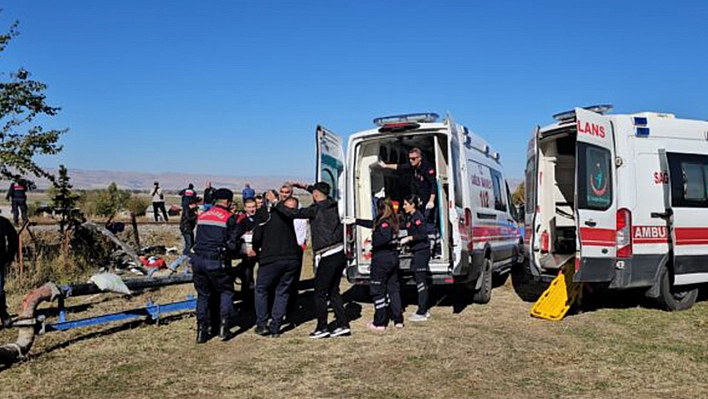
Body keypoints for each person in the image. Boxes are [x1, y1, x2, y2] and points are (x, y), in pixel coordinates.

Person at [276, 181, 350, 338]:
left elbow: (292, 214)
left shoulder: (315, 209)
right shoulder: (333, 204)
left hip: (328, 254)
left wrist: (277, 203)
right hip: (339, 253)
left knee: (320, 293)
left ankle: (322, 327)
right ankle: (343, 324)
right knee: (333, 291)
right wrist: (304, 187)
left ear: (316, 195)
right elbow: (319, 193)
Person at [346, 198, 403, 332]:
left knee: (378, 291)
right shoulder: (393, 220)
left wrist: (373, 241)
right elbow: (373, 223)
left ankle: (379, 322)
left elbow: (383, 238)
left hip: (381, 259)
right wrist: (357, 221)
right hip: (392, 258)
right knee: (393, 289)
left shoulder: (384, 224)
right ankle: (398, 320)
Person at [191, 188, 240, 343]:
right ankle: (223, 328)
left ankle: (201, 332)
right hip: (216, 261)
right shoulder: (229, 218)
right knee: (226, 291)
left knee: (203, 295)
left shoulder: (203, 215)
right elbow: (232, 245)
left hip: (198, 260)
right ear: (228, 202)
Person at [252, 194, 302, 338]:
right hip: (291, 257)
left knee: (261, 289)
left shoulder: (265, 216)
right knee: (282, 291)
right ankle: (276, 326)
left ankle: (262, 324)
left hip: (271, 258)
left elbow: (257, 236)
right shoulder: (288, 216)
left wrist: (256, 248)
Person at [378, 147, 437, 230]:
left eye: (413, 159)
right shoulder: (412, 166)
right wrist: (385, 166)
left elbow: (433, 185)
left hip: (427, 198)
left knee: (428, 220)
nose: (411, 161)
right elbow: (399, 166)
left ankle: (430, 237)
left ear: (419, 158)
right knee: (417, 219)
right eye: (409, 159)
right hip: (417, 199)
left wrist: (431, 201)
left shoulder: (427, 168)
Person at [401, 195, 431, 322]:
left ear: (412, 205)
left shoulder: (418, 217)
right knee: (419, 279)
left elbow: (423, 234)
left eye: (406, 204)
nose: (404, 206)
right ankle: (423, 308)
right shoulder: (410, 217)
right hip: (416, 251)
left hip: (422, 252)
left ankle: (422, 311)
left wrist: (409, 239)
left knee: (420, 281)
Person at [234, 197, 258, 309]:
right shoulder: (242, 221)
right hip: (247, 253)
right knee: (247, 277)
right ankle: (247, 302)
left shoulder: (260, 219)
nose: (252, 209)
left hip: (260, 252)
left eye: (253, 207)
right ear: (245, 208)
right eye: (249, 207)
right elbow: (236, 236)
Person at [0, 215, 18, 328]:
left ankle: (3, 314)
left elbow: (13, 238)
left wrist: (9, 256)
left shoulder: (2, 222)